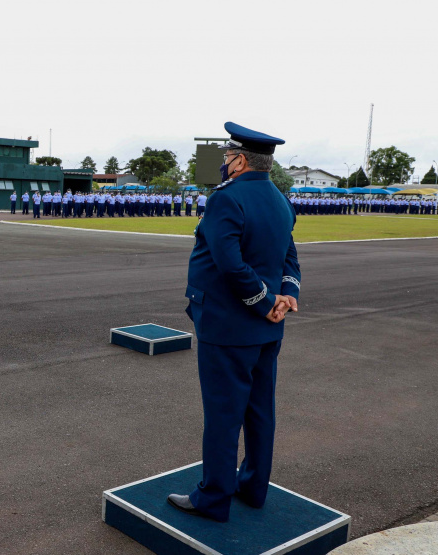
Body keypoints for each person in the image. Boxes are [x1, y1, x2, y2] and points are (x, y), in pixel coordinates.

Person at [168, 122, 301, 523]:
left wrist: (262, 304)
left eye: (227, 157)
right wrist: (286, 296)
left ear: (240, 160)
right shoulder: (280, 200)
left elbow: (230, 265)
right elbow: (289, 258)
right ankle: (254, 487)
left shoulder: (226, 199)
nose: (224, 163)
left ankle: (213, 499)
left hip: (229, 326)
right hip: (267, 328)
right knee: (260, 411)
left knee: (224, 415)